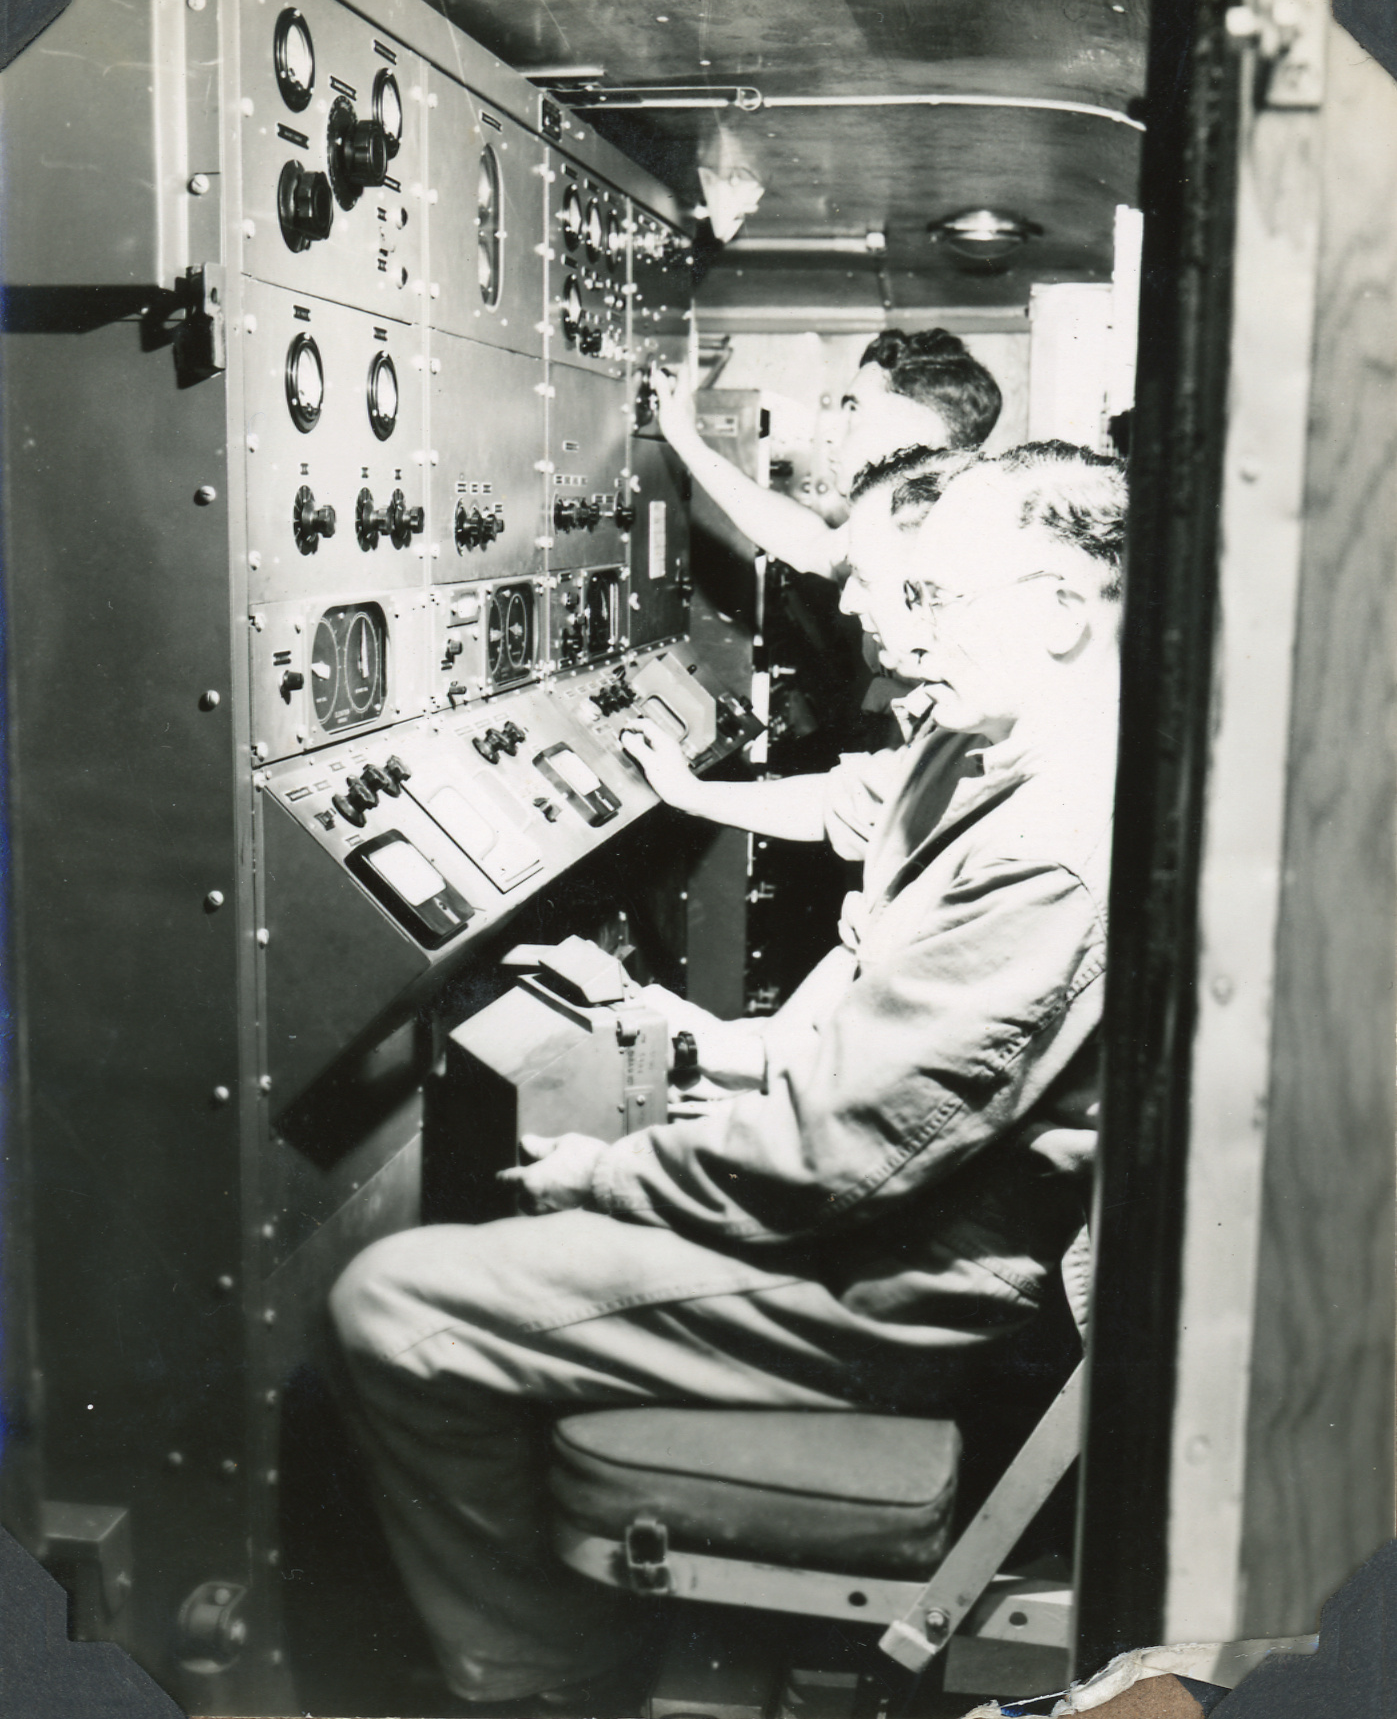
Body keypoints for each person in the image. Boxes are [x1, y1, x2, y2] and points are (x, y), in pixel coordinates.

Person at [329, 441, 1126, 1712]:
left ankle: (544, 1678)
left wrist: (604, 1174)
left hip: (910, 1289)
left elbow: (837, 1153)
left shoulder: (1056, 846)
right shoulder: (998, 754)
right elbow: (870, 1064)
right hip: (900, 1215)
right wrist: (692, 1055)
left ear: (1051, 611)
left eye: (927, 598)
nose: (888, 630)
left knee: (396, 1304)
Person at [620, 446, 979, 862]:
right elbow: (855, 801)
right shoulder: (960, 713)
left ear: (933, 588)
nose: (847, 603)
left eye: (862, 578)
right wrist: (690, 794)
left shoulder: (988, 735)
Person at [652, 327, 1003, 580]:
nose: (832, 433)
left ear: (916, 431)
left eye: (854, 410)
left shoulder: (965, 553)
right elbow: (807, 541)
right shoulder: (896, 534)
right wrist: (687, 440)